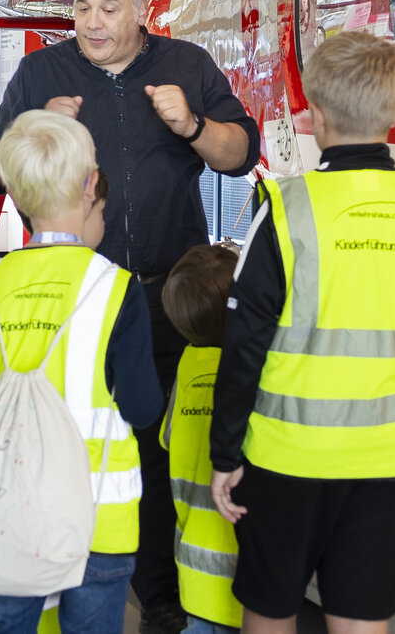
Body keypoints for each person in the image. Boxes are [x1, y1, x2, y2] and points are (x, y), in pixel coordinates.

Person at [0, 0, 260, 634]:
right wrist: (29, 130)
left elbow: (241, 151)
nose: (93, 22)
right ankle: (61, 576)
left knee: (165, 450)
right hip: (78, 304)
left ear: (141, 9)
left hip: (170, 301)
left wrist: (191, 124)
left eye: (109, 8)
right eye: (82, 8)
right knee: (77, 445)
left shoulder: (187, 64)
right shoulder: (43, 72)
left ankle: (161, 593)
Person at [209, 31, 395, 634]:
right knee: (360, 618)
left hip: (285, 458)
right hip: (391, 458)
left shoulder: (285, 209)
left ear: (315, 116)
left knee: (270, 612)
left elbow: (244, 341)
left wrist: (226, 454)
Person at [0, 110, 165, 633]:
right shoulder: (115, 288)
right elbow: (143, 408)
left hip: (7, 512)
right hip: (100, 517)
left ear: (16, 194)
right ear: (91, 183)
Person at [161, 243, 242, 634]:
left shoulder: (187, 366)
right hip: (242, 566)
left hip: (191, 565)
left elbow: (167, 439)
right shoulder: (247, 371)